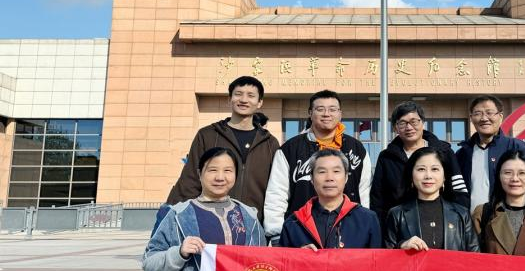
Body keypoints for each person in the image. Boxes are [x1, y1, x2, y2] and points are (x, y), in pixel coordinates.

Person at [166, 76, 279, 222]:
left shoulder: (270, 143)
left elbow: (276, 189)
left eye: (251, 95)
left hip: (253, 223)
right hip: (209, 220)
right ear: (229, 99)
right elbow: (190, 179)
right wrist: (172, 214)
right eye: (238, 94)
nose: (244, 100)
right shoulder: (208, 135)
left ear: (259, 102)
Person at [264, 90, 371, 240]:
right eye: (320, 109)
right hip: (301, 231)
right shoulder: (290, 149)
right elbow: (277, 194)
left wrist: (364, 227)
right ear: (310, 113)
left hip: (348, 231)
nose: (326, 114)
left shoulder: (357, 149)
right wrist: (276, 233)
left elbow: (364, 193)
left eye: (332, 109)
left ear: (340, 114)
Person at [370, 101, 468, 234]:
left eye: (414, 121)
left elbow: (459, 192)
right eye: (402, 123)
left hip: (442, 224)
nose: (409, 127)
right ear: (395, 128)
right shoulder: (386, 157)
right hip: (401, 227)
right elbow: (378, 200)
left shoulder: (444, 152)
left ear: (423, 123)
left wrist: (461, 226)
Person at [456, 94, 525, 214]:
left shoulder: (518, 148)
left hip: (509, 219)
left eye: (490, 113)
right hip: (471, 220)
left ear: (500, 116)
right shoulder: (463, 153)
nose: (484, 118)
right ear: (471, 118)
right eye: (478, 113)